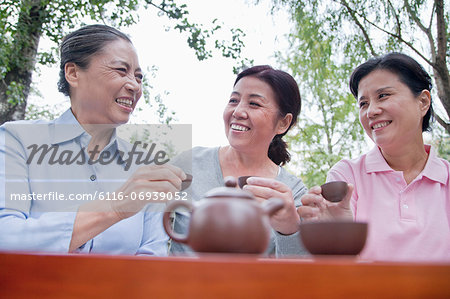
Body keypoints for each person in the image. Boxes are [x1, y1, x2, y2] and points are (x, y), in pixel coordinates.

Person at [0, 25, 187, 255]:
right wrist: (114, 207)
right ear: (73, 73)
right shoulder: (17, 140)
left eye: (138, 77)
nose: (134, 85)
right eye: (121, 70)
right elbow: (5, 236)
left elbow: (153, 256)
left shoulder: (143, 168)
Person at [298, 53, 450, 262]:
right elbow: (337, 274)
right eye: (363, 104)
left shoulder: (447, 178)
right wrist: (336, 238)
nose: (371, 111)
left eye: (383, 96)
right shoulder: (347, 175)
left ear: (423, 102)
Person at [170, 65, 308, 256]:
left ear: (283, 123)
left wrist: (290, 229)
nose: (238, 112)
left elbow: (299, 273)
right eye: (234, 100)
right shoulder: (189, 163)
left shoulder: (292, 192)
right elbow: (143, 224)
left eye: (254, 104)